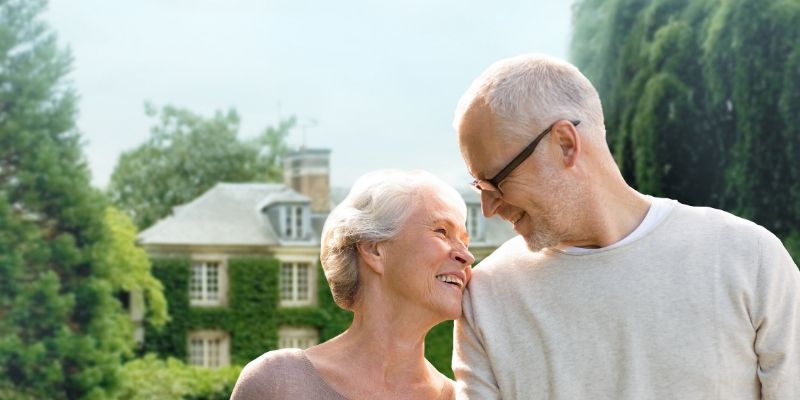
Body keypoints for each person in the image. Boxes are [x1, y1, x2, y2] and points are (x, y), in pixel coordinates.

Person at [451, 54, 800, 399]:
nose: (488, 207)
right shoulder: (487, 297)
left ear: (565, 144)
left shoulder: (748, 258)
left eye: (495, 181)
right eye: (479, 187)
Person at [230, 169, 474, 399]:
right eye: (442, 232)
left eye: (465, 242)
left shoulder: (460, 397)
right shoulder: (278, 382)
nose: (467, 257)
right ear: (374, 249)